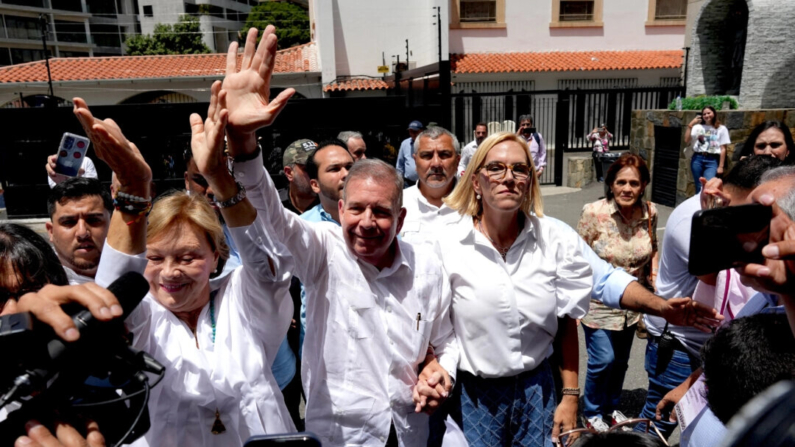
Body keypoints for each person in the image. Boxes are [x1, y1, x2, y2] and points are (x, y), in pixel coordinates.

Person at [219, 27, 458, 446]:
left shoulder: (427, 266)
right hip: (341, 438)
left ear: (400, 220)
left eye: (381, 212)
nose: (367, 222)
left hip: (409, 430)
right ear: (340, 210)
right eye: (357, 209)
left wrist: (441, 370)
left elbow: (446, 340)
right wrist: (243, 144)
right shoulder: (321, 251)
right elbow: (272, 218)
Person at [72, 89, 297, 445]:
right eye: (155, 258)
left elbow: (271, 264)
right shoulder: (144, 315)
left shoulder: (242, 297)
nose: (170, 272)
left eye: (188, 257)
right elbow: (108, 307)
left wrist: (219, 176)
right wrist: (133, 189)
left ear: (215, 256)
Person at [431, 132, 591, 446]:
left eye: (520, 169)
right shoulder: (446, 242)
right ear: (476, 182)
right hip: (474, 397)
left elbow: (566, 322)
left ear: (530, 180)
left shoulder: (554, 240)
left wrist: (570, 396)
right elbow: (432, 326)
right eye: (496, 168)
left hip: (538, 391)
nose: (508, 178)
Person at [638, 155, 785, 439]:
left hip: (704, 350)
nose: (747, 241)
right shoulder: (694, 221)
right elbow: (711, 279)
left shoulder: (772, 299)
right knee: (656, 424)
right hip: (682, 342)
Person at [577, 153, 657, 432]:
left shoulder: (650, 212)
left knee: (621, 362)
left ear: (643, 184)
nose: (627, 189)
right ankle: (592, 412)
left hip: (632, 303)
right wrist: (573, 302)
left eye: (634, 183)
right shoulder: (593, 212)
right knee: (603, 360)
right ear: (610, 184)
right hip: (598, 301)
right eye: (621, 182)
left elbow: (652, 248)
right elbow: (575, 256)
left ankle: (610, 408)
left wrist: (652, 284)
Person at [296, 140, 353, 357]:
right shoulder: (302, 228)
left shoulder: (380, 222)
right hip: (320, 355)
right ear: (315, 185)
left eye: (350, 166)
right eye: (334, 169)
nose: (346, 174)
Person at [45, 178, 113, 285]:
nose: (82, 233)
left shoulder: (141, 268)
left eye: (94, 220)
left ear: (112, 226)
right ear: (51, 232)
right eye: (68, 222)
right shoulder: (34, 281)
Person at [401, 126, 462, 244]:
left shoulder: (476, 202)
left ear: (458, 161)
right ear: (415, 161)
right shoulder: (399, 203)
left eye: (444, 155)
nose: (436, 163)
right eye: (427, 156)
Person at [685, 106, 730, 193]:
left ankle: (706, 206)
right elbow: (687, 140)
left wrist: (721, 166)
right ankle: (699, 205)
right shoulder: (698, 127)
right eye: (704, 114)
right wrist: (690, 125)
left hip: (712, 160)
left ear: (714, 113)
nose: (706, 115)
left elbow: (723, 148)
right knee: (698, 186)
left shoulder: (721, 129)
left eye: (709, 113)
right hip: (697, 158)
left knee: (708, 185)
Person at [280, 139, 320, 214]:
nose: (316, 173)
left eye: (320, 167)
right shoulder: (275, 204)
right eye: (309, 168)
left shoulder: (333, 203)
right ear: (289, 173)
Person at [396, 120, 423, 187]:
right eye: (410, 131)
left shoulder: (427, 143)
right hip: (408, 183)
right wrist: (399, 181)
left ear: (421, 131)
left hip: (424, 183)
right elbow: (400, 164)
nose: (412, 134)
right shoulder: (405, 144)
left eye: (415, 131)